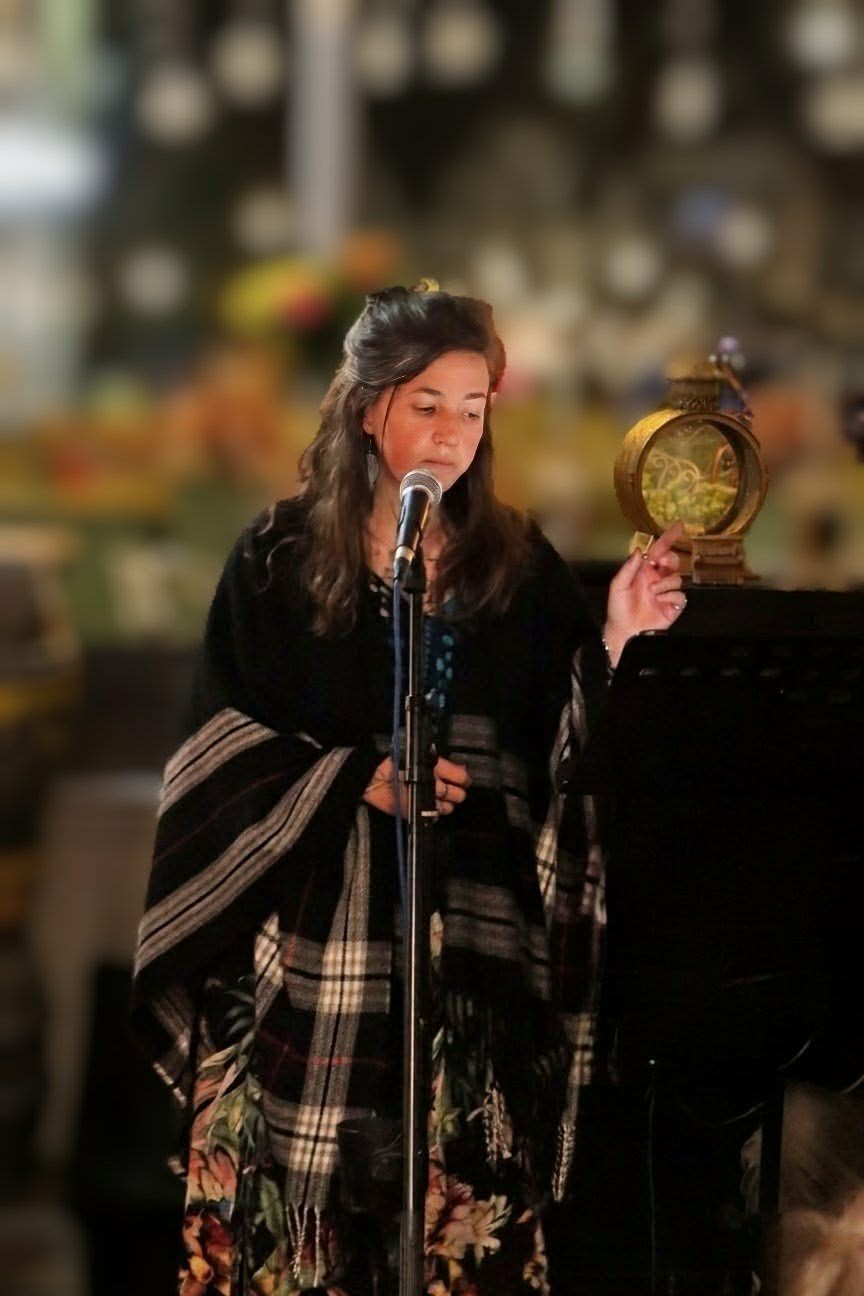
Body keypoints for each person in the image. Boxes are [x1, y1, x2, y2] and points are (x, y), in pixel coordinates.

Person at [132, 283, 685, 1295]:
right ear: (365, 406)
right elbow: (216, 754)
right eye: (427, 404)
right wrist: (353, 780)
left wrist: (616, 635)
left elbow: (563, 750)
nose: (452, 434)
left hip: (468, 974)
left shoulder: (516, 564)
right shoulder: (276, 561)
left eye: (472, 409)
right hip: (307, 971)